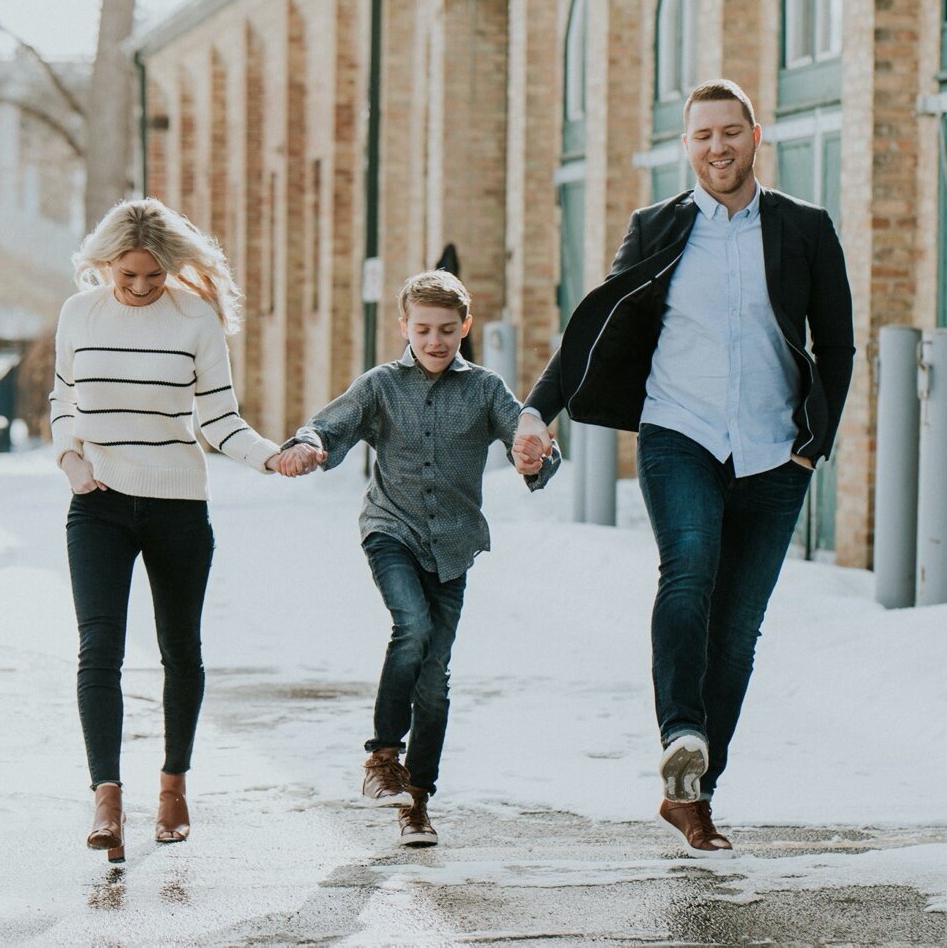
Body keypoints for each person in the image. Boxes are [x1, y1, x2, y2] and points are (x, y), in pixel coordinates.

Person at [514, 79, 855, 856]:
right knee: (689, 567)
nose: (717, 148)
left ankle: (694, 790)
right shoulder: (657, 228)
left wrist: (815, 441)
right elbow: (595, 325)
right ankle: (681, 731)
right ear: (687, 145)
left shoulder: (804, 228)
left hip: (775, 450)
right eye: (702, 135)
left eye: (730, 133)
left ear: (756, 136)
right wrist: (539, 408)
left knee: (735, 631)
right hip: (681, 431)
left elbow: (836, 342)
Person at [275, 271, 560, 847]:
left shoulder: (484, 389)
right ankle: (382, 757)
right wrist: (307, 446)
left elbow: (530, 441)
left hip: (452, 547)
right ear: (404, 326)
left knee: (434, 680)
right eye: (424, 330)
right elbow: (331, 425)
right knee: (412, 626)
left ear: (465, 328)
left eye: (448, 331)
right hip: (392, 531)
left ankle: (417, 799)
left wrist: (535, 459)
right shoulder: (381, 385)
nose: (435, 341)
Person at [51, 197, 286, 864]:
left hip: (177, 504)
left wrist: (269, 455)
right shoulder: (79, 314)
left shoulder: (193, 318)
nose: (142, 287)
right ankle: (106, 797)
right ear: (106, 265)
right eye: (129, 276)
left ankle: (173, 785)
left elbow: (219, 419)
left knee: (181, 649)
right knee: (99, 648)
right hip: (98, 504)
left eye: (154, 276)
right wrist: (70, 460)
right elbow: (62, 400)